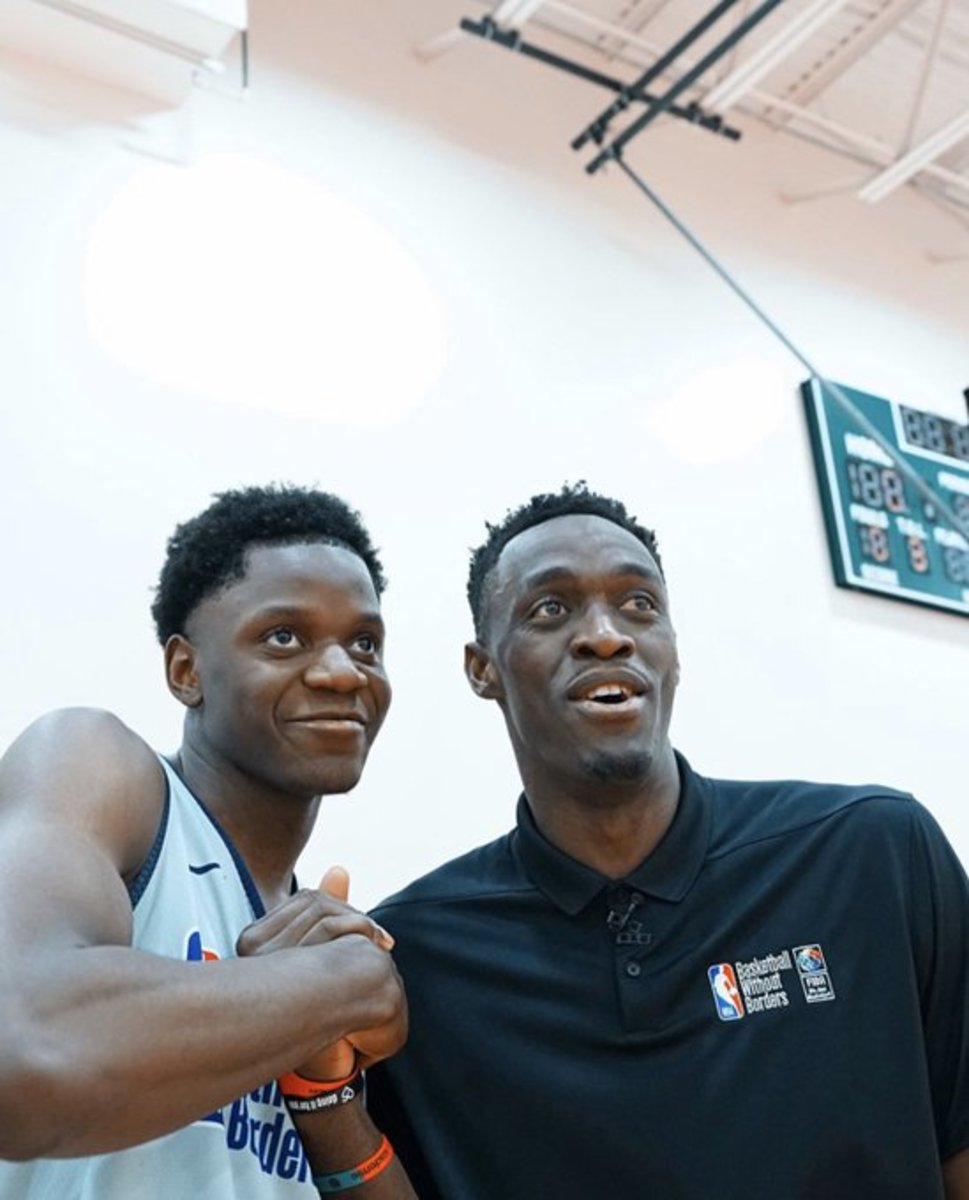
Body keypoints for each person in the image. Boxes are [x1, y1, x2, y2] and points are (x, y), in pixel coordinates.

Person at [367, 482, 969, 1199]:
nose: (605, 634)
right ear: (482, 668)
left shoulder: (875, 853)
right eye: (550, 608)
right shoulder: (413, 956)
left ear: (671, 649)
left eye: (638, 604)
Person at [0, 485, 415, 1199]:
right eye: (284, 635)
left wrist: (325, 1095)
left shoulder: (311, 931)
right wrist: (345, 986)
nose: (343, 671)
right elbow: (24, 1051)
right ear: (185, 671)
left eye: (365, 642)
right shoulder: (100, 768)